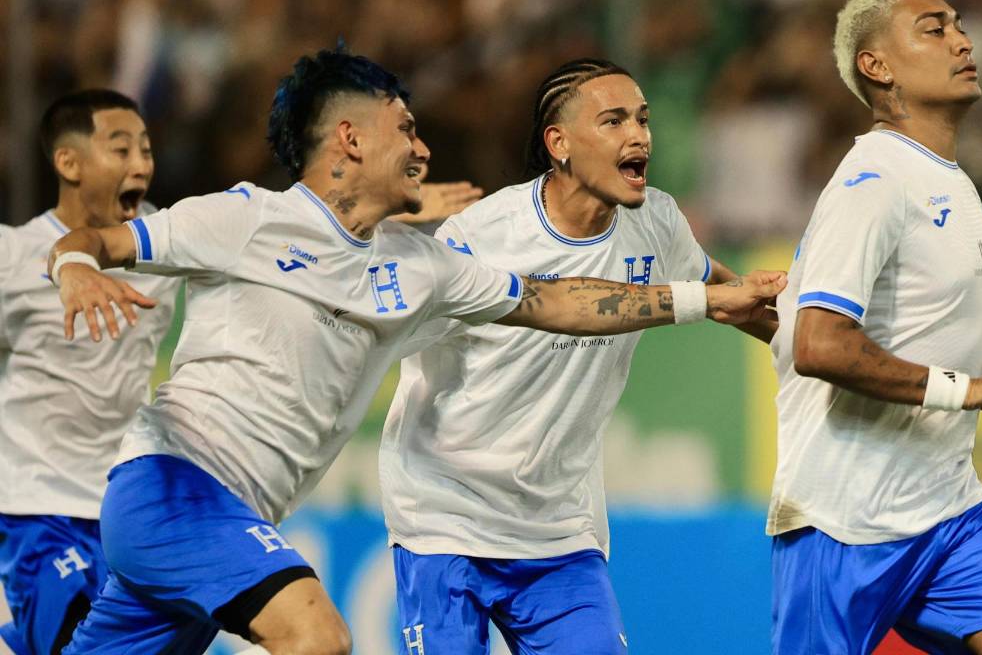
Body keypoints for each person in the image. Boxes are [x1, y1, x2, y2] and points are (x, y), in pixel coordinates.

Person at [48, 47, 783, 655]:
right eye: (406, 130)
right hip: (172, 483)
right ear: (350, 139)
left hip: (252, 512)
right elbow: (93, 239)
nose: (425, 149)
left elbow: (554, 300)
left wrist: (707, 301)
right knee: (317, 639)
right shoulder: (244, 220)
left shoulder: (422, 265)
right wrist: (75, 269)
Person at [380, 58, 777, 654]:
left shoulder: (658, 222)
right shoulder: (482, 236)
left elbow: (728, 298)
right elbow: (396, 337)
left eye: (642, 119)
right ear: (558, 143)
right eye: (613, 121)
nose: (638, 135)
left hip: (559, 531)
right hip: (445, 517)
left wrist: (823, 346)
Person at [769, 0, 982, 655]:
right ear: (878, 67)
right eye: (934, 29)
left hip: (950, 510)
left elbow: (924, 332)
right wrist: (968, 392)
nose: (962, 39)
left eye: (958, 24)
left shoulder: (950, 177)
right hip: (844, 518)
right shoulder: (871, 183)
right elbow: (819, 344)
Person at [0, 91, 178, 655]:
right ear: (69, 163)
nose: (141, 164)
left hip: (122, 514)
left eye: (146, 149)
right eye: (120, 147)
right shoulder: (14, 256)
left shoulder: (170, 245)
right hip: (33, 507)